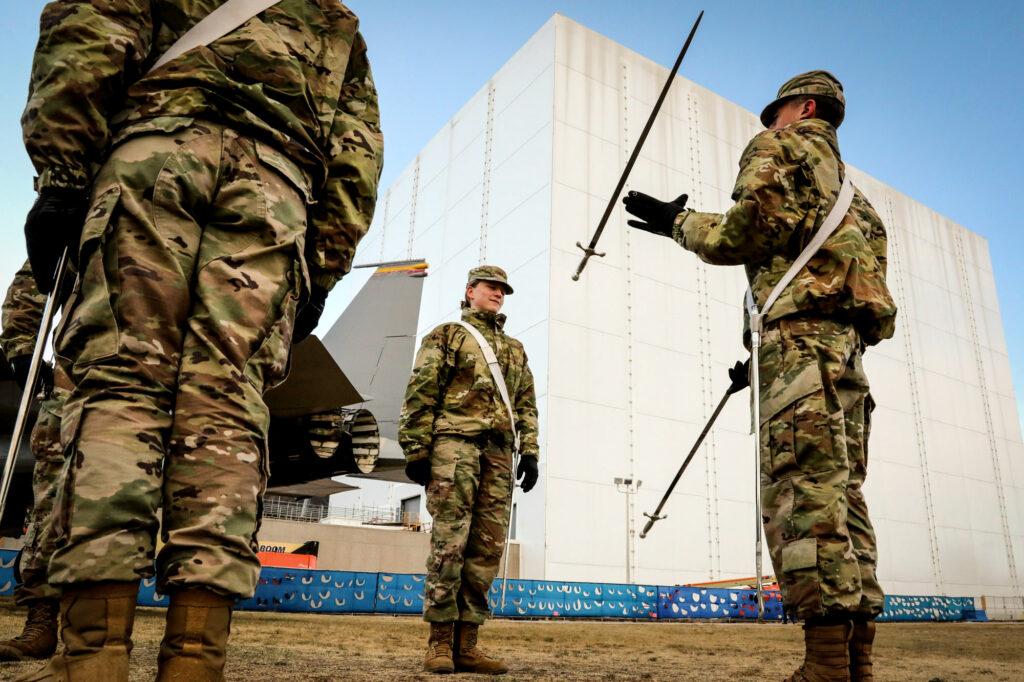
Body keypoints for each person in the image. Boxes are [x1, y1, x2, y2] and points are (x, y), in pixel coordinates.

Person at [18, 2, 383, 680]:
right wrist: (323, 268)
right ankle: (195, 660)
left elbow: (91, 33)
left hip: (157, 156)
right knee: (228, 410)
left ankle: (95, 658)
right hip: (275, 198)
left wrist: (63, 174)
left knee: (122, 386)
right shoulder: (334, 21)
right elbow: (356, 158)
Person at [624, 71, 896, 682]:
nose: (767, 123)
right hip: (847, 359)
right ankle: (858, 664)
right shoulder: (861, 201)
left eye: (775, 112)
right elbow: (866, 298)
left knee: (802, 495)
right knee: (845, 499)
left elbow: (739, 236)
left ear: (801, 108)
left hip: (800, 351)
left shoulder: (781, 146)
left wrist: (679, 222)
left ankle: (824, 666)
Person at [399, 265, 540, 675]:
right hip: (454, 447)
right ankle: (439, 644)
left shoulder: (515, 348)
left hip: (499, 452)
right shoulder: (448, 336)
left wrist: (529, 451)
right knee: (450, 544)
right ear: (470, 291)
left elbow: (526, 403)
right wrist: (416, 450)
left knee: (487, 549)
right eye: (491, 287)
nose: (498, 294)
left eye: (503, 289)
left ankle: (468, 644)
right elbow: (420, 392)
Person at [0, 262, 63, 663]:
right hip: (89, 377)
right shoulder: (90, 201)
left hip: (195, 378)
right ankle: (42, 618)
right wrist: (26, 356)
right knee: (55, 503)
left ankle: (192, 645)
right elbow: (30, 290)